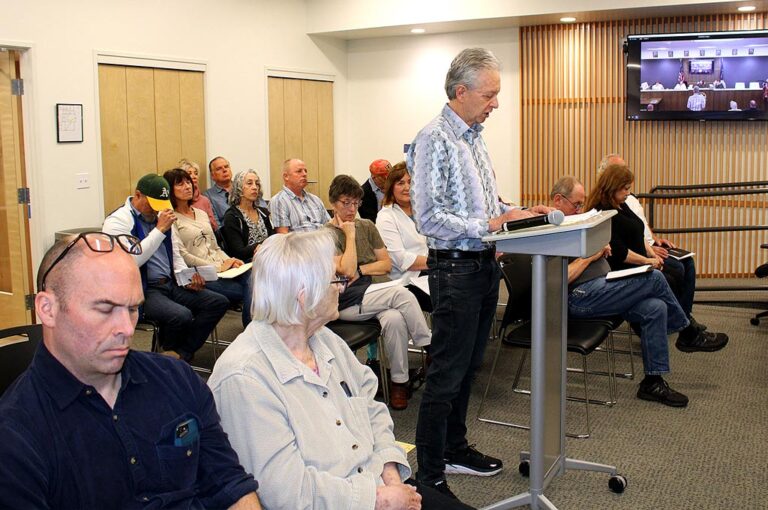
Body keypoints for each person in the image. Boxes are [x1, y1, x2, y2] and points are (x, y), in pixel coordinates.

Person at [207, 230, 475, 510]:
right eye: (335, 279)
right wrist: (378, 498)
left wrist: (391, 478)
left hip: (378, 485)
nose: (342, 287)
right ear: (303, 296)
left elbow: (373, 412)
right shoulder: (245, 378)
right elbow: (285, 493)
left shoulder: (324, 339)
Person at [0, 232, 261, 509]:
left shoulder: (177, 379)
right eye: (104, 309)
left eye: (133, 309)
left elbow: (229, 483)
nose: (127, 329)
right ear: (47, 309)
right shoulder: (16, 434)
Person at [407, 47, 551, 495]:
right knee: (447, 372)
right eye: (489, 95)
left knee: (469, 367)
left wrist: (518, 212)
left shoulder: (473, 137)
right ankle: (429, 474)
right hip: (455, 271)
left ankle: (455, 447)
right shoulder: (434, 138)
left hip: (484, 266)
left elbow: (489, 207)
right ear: (461, 91)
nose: (495, 103)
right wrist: (490, 223)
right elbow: (428, 219)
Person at [551, 176, 691, 406]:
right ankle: (687, 331)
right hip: (578, 298)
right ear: (558, 200)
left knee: (655, 308)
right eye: (576, 205)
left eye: (581, 205)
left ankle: (652, 382)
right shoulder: (550, 232)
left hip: (600, 286)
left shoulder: (574, 223)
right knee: (654, 278)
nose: (580, 210)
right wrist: (591, 255)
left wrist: (598, 246)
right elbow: (560, 279)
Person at [586, 162, 728, 353]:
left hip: (640, 261)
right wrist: (648, 261)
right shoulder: (602, 211)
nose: (628, 193)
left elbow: (636, 230)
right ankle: (687, 332)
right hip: (622, 269)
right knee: (666, 278)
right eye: (625, 188)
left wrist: (651, 251)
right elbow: (619, 252)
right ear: (613, 187)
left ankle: (685, 327)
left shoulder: (619, 203)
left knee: (678, 271)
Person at [327, 174, 432, 410]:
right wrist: (350, 235)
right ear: (333, 203)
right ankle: (430, 348)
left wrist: (362, 271)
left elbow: (385, 265)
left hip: (373, 291)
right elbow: (345, 269)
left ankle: (399, 383)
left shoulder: (367, 225)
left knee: (395, 319)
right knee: (402, 294)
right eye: (346, 203)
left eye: (356, 203)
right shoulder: (326, 234)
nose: (352, 209)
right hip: (345, 302)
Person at [103, 173, 229, 361]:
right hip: (143, 289)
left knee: (218, 302)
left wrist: (186, 279)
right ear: (138, 195)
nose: (156, 211)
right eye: (152, 205)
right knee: (180, 316)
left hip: (170, 283)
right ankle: (166, 360)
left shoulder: (161, 215)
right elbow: (132, 260)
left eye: (160, 206)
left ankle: (180, 354)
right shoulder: (118, 221)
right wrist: (159, 230)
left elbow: (175, 254)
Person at [164, 168, 254, 328]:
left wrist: (230, 260)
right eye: (180, 184)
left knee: (254, 278)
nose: (187, 186)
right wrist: (218, 267)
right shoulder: (170, 218)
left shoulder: (200, 213)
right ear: (170, 190)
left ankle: (254, 330)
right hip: (200, 273)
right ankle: (251, 330)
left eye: (188, 182)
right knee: (248, 291)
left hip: (222, 268)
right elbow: (183, 255)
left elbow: (215, 246)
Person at [375, 162, 431, 311]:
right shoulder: (386, 217)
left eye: (410, 182)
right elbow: (400, 258)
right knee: (451, 298)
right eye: (400, 183)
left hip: (431, 272)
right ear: (391, 188)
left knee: (465, 287)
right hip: (406, 281)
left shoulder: (423, 211)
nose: (407, 188)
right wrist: (439, 261)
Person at [220, 170, 275, 263]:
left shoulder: (264, 212)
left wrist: (264, 247)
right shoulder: (232, 216)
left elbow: (273, 239)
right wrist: (260, 247)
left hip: (269, 259)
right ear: (239, 188)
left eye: (257, 184)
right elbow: (238, 252)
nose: (255, 187)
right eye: (249, 183)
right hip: (246, 265)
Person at [269, 158, 330, 233]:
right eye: (299, 171)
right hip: (299, 244)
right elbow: (283, 238)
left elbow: (329, 226)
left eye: (305, 171)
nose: (304, 174)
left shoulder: (315, 199)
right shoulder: (279, 201)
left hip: (324, 241)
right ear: (286, 176)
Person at [179, 158, 218, 230]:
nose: (194, 176)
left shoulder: (204, 200)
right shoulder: (180, 201)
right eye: (189, 173)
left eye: (196, 173)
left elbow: (214, 226)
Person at [204, 156, 233, 227]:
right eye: (219, 169)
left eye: (226, 166)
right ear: (212, 176)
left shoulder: (244, 188)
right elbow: (216, 225)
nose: (224, 170)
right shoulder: (208, 196)